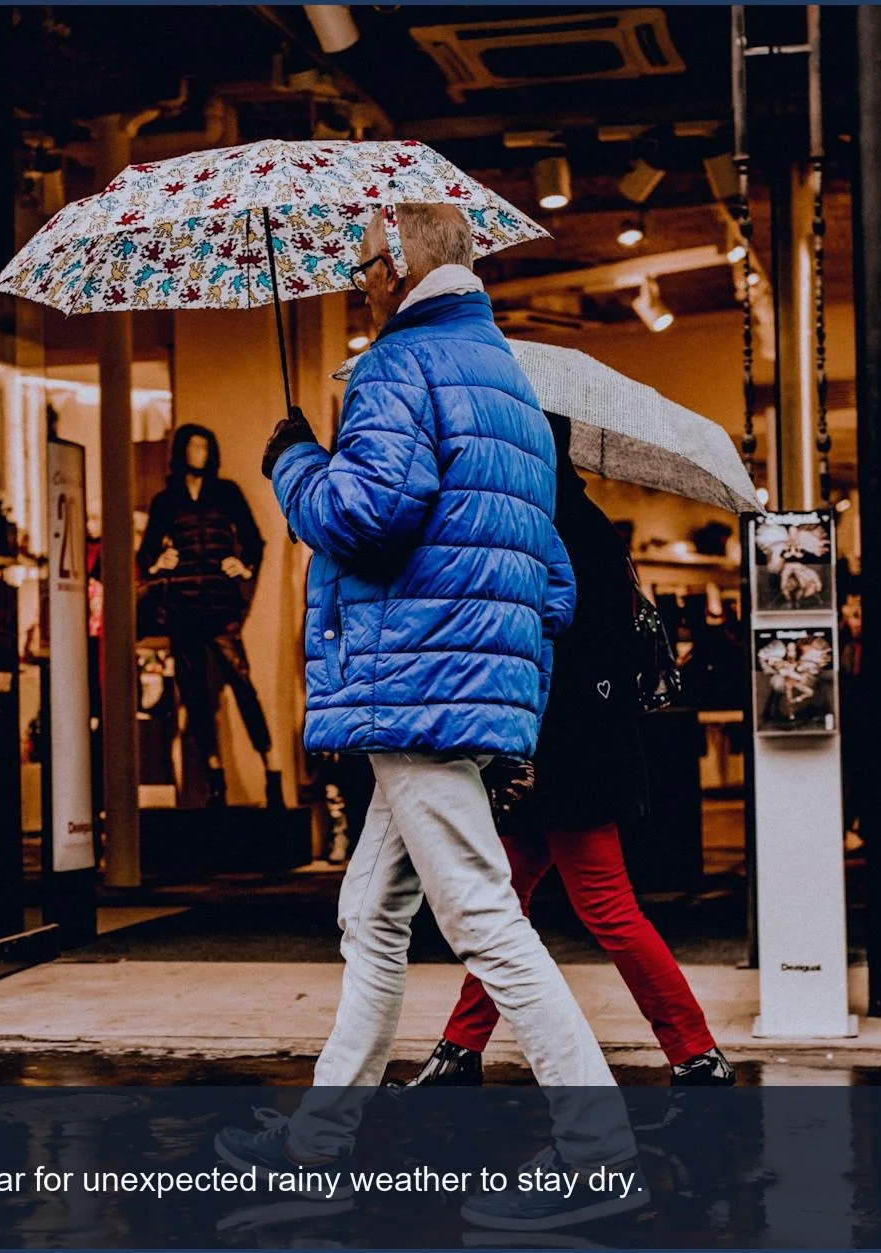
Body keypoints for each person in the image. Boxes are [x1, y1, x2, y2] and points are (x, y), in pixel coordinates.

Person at [214, 204, 645, 1232]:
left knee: (481, 914)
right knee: (372, 914)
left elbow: (361, 513)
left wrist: (288, 461)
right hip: (461, 683)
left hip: (410, 682)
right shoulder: (503, 377)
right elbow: (551, 577)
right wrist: (506, 682)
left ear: (401, 263)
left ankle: (596, 1151)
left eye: (363, 268)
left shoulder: (394, 368)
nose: (356, 285)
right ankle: (317, 1143)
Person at [399, 413, 737, 1091]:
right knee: (507, 903)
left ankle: (696, 1051)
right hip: (570, 749)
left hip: (568, 752)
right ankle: (459, 1050)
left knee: (605, 907)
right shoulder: (584, 524)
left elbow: (554, 650)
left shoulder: (550, 528)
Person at [137, 424, 279, 807]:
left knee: (242, 686)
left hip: (220, 608)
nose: (199, 453)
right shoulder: (167, 502)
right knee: (196, 697)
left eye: (204, 446)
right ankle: (215, 777)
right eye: (193, 446)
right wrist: (157, 562)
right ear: (181, 451)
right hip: (184, 608)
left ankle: (271, 771)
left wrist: (243, 564)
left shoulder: (226, 494)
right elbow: (146, 553)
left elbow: (253, 540)